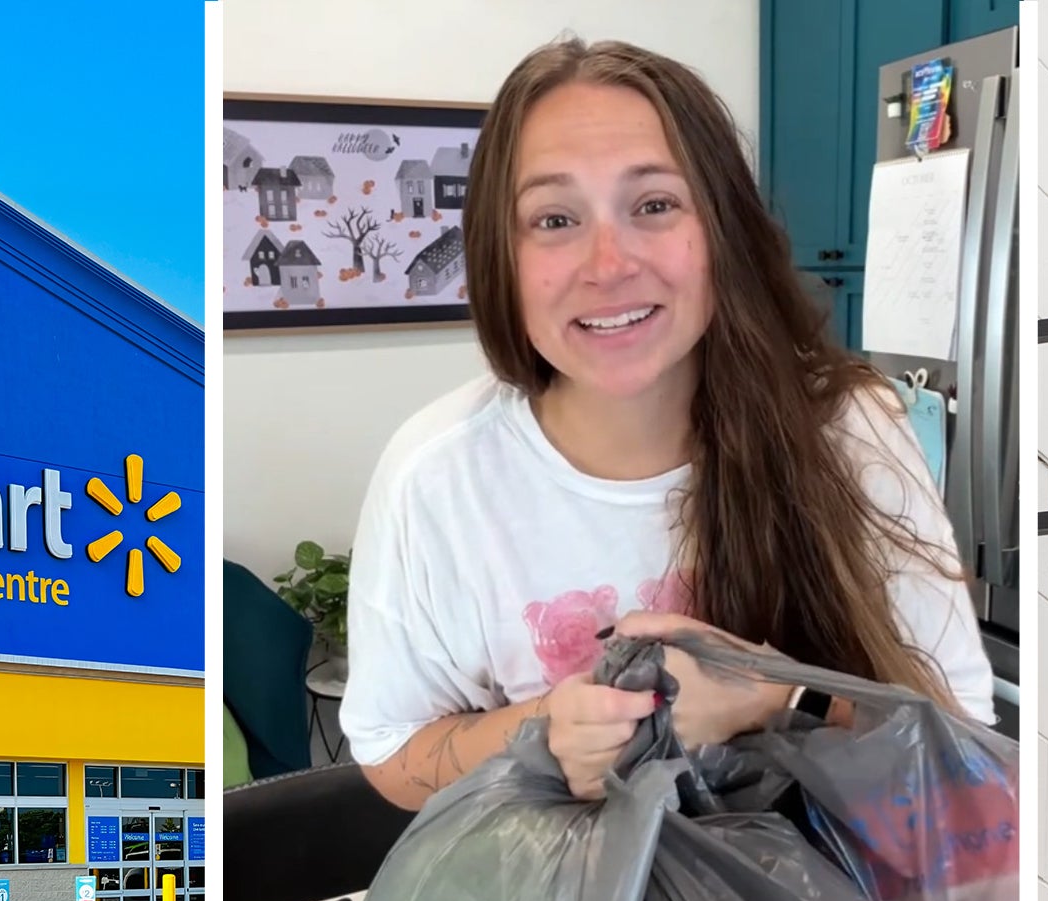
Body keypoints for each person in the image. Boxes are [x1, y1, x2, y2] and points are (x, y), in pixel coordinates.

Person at [339, 36, 995, 810]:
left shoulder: (853, 428)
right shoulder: (436, 475)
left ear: (721, 230)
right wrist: (545, 733)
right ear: (499, 256)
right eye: (553, 219)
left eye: (654, 205)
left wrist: (776, 699)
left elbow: (966, 743)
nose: (608, 264)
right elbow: (391, 752)